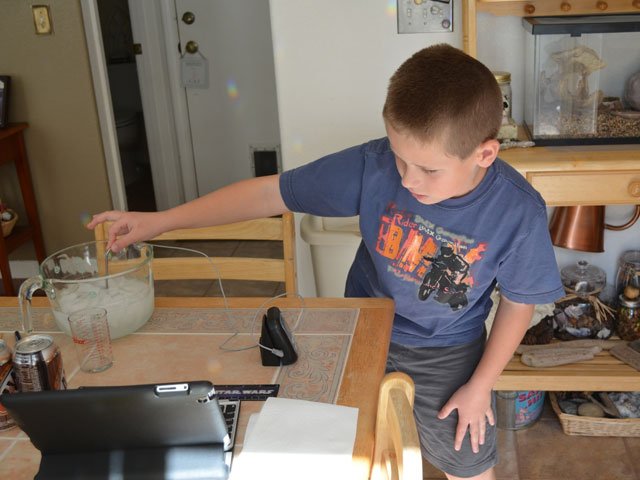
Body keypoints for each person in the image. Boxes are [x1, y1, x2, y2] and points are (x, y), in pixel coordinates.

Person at [88, 43, 564, 480]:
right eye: (399, 158)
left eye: (428, 169)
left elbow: (518, 302)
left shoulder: (517, 210)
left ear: (485, 154)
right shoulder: (374, 165)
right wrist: (160, 221)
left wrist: (481, 384)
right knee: (342, 451)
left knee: (468, 459)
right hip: (362, 326)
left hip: (446, 350)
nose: (407, 179)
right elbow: (270, 193)